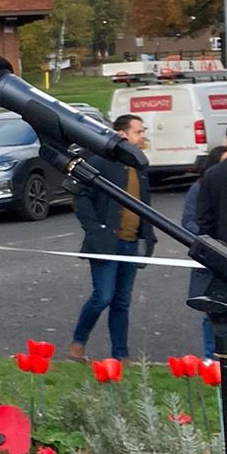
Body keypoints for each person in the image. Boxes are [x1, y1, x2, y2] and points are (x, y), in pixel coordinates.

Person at [64, 115, 155, 362]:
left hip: (131, 242)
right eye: (138, 131)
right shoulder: (100, 162)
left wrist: (148, 236)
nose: (143, 135)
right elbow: (81, 197)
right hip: (107, 243)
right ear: (123, 134)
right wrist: (96, 229)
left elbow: (144, 203)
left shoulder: (139, 165)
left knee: (122, 301)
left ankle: (120, 355)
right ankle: (77, 343)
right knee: (103, 296)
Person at [183, 147, 227, 361]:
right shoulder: (200, 187)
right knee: (214, 308)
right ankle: (212, 357)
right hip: (215, 259)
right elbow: (193, 221)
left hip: (219, 254)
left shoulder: (216, 180)